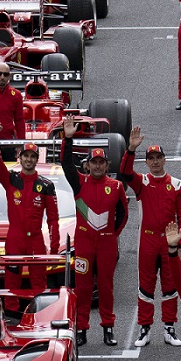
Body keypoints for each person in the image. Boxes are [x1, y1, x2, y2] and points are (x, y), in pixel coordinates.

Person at [62, 122, 130, 347]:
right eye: (94, 162)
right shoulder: (79, 183)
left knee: (106, 286)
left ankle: (108, 328)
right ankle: (81, 329)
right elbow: (65, 164)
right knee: (82, 288)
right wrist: (68, 139)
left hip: (106, 244)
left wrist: (111, 235)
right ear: (87, 165)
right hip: (84, 244)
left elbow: (122, 214)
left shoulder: (117, 186)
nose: (98, 166)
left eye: (102, 162)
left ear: (106, 164)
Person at [124, 128, 181, 346]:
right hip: (148, 239)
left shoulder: (177, 184)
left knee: (170, 285)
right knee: (146, 285)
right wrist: (131, 149)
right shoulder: (141, 182)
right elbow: (124, 172)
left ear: (164, 160)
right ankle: (145, 329)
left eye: (158, 158)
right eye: (150, 159)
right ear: (147, 162)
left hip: (169, 241)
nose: (154, 162)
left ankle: (169, 328)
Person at [0, 125, 61, 257]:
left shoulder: (46, 186)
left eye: (33, 156)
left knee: (39, 278)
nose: (29, 159)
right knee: (11, 278)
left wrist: (54, 247)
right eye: (26, 155)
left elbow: (53, 219)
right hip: (15, 240)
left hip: (36, 240)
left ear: (37, 159)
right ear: (19, 158)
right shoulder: (10, 179)